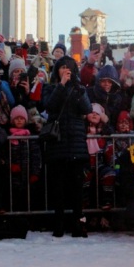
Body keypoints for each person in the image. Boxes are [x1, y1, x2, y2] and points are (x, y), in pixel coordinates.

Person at [43, 55, 92, 237]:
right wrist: (61, 85)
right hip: (58, 144)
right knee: (58, 189)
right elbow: (49, 106)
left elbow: (87, 109)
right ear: (57, 71)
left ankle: (79, 225)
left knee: (77, 190)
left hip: (76, 144)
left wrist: (77, 88)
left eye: (68, 67)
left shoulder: (79, 88)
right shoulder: (50, 87)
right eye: (62, 67)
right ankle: (59, 226)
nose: (65, 70)